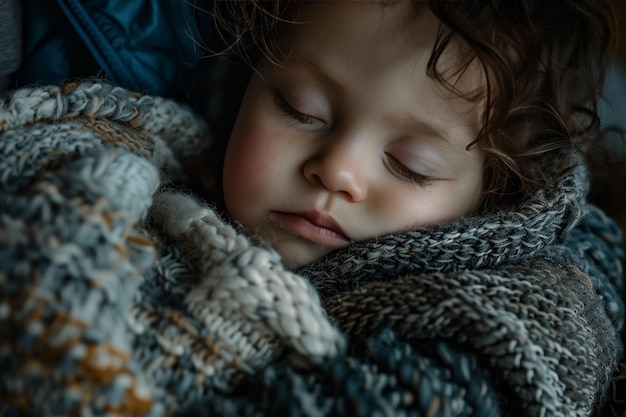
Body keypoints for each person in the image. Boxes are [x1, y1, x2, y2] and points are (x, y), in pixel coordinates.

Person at [0, 1, 624, 417]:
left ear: (492, 192)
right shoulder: (143, 159)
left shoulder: (520, 300)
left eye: (412, 165)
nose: (338, 170)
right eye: (300, 109)